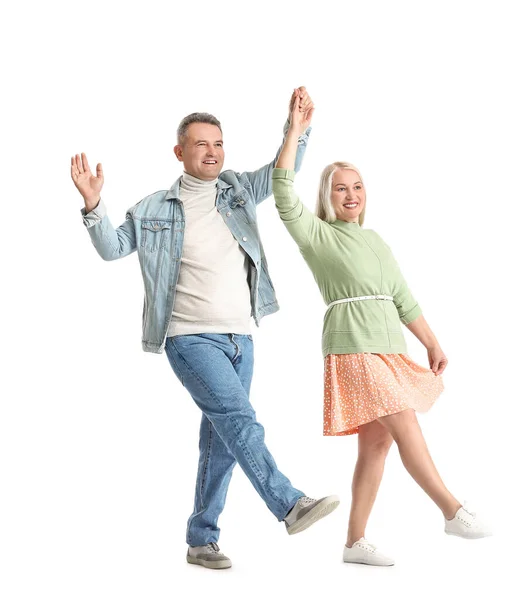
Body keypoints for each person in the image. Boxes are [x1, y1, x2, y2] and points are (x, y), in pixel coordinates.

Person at [70, 87, 339, 570]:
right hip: (189, 337)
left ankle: (201, 539)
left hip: (241, 337)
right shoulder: (153, 208)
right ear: (180, 152)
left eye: (218, 144)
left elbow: (284, 170)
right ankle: (290, 504)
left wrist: (296, 129)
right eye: (201, 144)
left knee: (222, 442)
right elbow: (112, 248)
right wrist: (94, 206)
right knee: (240, 423)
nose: (212, 152)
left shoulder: (238, 191)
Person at [271, 91, 491, 567]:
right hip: (352, 348)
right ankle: (451, 510)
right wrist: (295, 131)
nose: (350, 195)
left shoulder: (375, 240)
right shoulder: (317, 235)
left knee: (377, 443)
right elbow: (284, 192)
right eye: (340, 188)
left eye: (357, 187)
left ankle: (354, 543)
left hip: (388, 347)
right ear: (327, 197)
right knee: (404, 422)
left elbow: (403, 298)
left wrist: (432, 342)